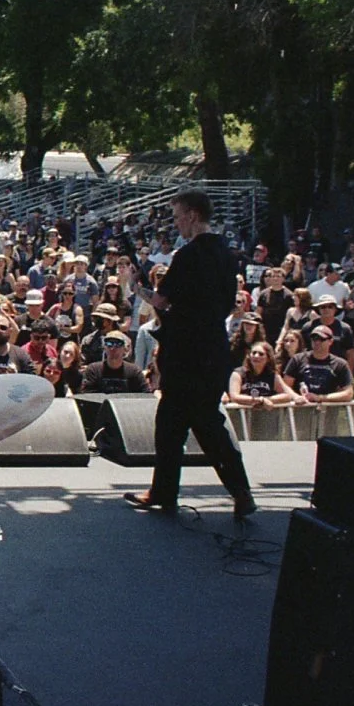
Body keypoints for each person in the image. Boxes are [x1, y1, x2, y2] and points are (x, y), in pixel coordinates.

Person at [123, 191, 256, 519]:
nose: (177, 223)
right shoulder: (227, 253)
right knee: (183, 422)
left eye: (179, 216)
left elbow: (161, 302)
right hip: (213, 347)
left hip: (186, 353)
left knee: (191, 423)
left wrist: (136, 286)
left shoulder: (187, 255)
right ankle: (171, 491)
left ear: (194, 215)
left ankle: (233, 491)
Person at [283, 325, 354, 404]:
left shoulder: (340, 364)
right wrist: (296, 397)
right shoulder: (297, 359)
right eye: (314, 339)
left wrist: (320, 398)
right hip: (300, 410)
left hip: (328, 412)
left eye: (321, 339)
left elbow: (348, 393)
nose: (317, 342)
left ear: (330, 341)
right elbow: (285, 386)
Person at [227, 342, 295, 408]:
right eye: (253, 353)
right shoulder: (238, 374)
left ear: (268, 358)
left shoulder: (272, 375)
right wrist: (259, 400)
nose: (256, 356)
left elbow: (287, 395)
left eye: (261, 354)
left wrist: (267, 400)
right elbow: (234, 397)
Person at [78, 331, 148, 394]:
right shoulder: (93, 370)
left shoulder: (134, 372)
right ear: (104, 348)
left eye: (118, 344)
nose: (113, 348)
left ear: (125, 349)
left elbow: (145, 395)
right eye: (109, 344)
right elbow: (87, 396)